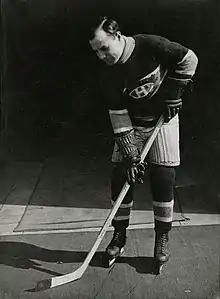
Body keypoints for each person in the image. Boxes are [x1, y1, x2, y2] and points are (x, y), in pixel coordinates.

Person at [89, 16, 198, 270]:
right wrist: (130, 155)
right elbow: (117, 113)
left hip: (163, 120)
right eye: (96, 51)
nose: (101, 56)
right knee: (121, 176)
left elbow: (189, 59)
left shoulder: (149, 45)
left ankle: (162, 237)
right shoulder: (107, 73)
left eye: (104, 48)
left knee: (163, 177)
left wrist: (174, 93)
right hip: (132, 125)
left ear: (117, 36)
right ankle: (119, 234)